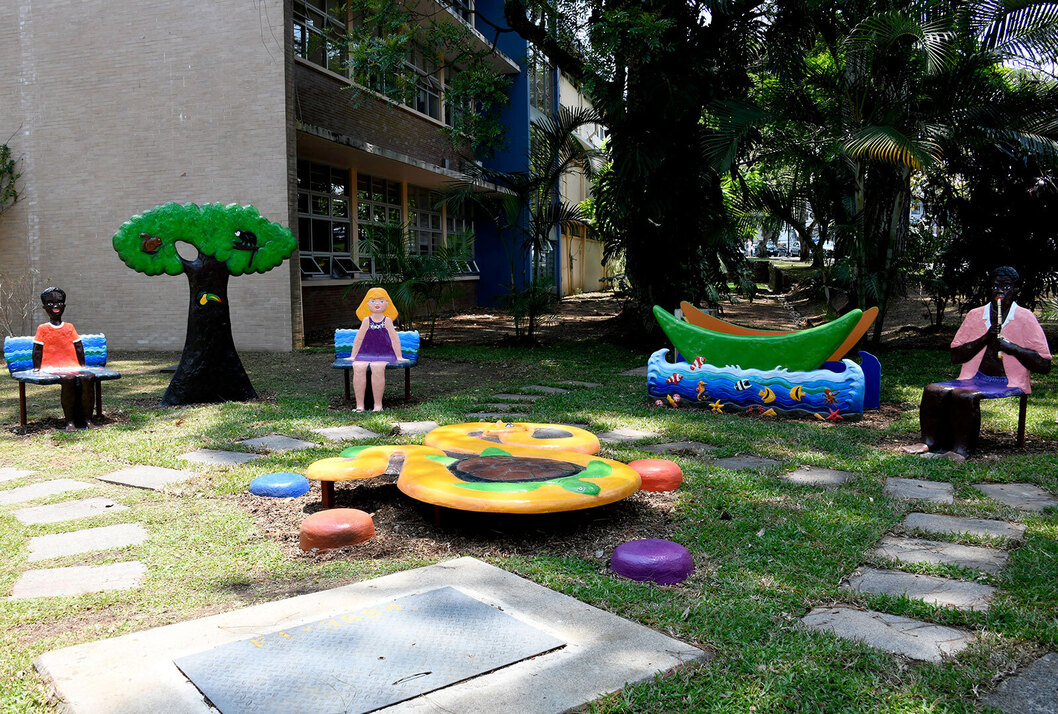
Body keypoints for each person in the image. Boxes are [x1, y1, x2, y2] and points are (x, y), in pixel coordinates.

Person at [906, 267, 1051, 459]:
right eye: (995, 285)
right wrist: (984, 338)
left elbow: (1044, 364)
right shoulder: (976, 315)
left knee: (965, 395)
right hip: (973, 377)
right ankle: (930, 441)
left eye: (1006, 286)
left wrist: (1012, 348)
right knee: (933, 390)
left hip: (1009, 381)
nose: (999, 291)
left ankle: (962, 449)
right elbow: (956, 356)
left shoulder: (1026, 317)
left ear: (1016, 289)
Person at [31, 287, 98, 431]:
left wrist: (82, 366)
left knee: (89, 377)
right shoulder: (43, 328)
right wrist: (37, 368)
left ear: (64, 305)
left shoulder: (69, 327)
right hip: (51, 367)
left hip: (73, 366)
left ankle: (87, 419)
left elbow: (78, 347)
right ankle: (69, 421)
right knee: (68, 379)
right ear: (44, 307)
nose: (55, 306)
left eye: (59, 302)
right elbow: (37, 350)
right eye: (50, 303)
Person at [349, 287, 407, 412]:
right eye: (373, 301)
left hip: (385, 354)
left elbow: (394, 339)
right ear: (368, 303)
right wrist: (353, 356)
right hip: (365, 353)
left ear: (387, 303)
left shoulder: (387, 321)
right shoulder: (366, 321)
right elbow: (358, 339)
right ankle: (359, 405)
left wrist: (399, 356)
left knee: (377, 367)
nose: (377, 304)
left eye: (381, 301)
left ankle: (378, 405)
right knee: (358, 367)